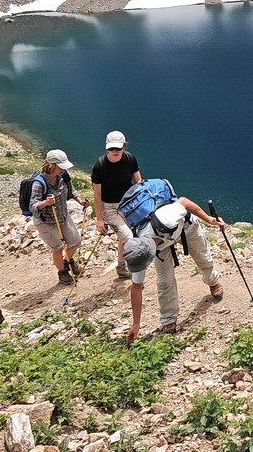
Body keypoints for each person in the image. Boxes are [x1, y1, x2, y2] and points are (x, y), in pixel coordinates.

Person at [123, 194, 224, 346]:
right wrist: (136, 323)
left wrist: (209, 220)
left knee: (203, 260)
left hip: (186, 228)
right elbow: (136, 287)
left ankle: (212, 281)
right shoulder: (137, 253)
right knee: (164, 281)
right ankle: (168, 319)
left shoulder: (167, 218)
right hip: (160, 244)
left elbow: (184, 201)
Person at [30, 149, 88, 286]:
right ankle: (62, 273)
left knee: (75, 241)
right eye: (60, 166)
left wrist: (80, 201)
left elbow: (71, 190)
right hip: (46, 221)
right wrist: (45, 203)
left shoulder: (64, 175)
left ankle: (68, 261)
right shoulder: (39, 183)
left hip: (62, 215)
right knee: (57, 247)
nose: (63, 169)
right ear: (51, 166)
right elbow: (33, 205)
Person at [91, 131, 142, 278]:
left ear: (124, 146)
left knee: (124, 236)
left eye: (118, 148)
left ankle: (121, 267)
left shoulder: (130, 159)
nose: (115, 151)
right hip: (109, 208)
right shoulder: (100, 166)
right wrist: (99, 219)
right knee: (129, 238)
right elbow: (97, 194)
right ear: (107, 148)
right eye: (111, 148)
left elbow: (139, 183)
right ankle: (137, 272)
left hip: (128, 205)